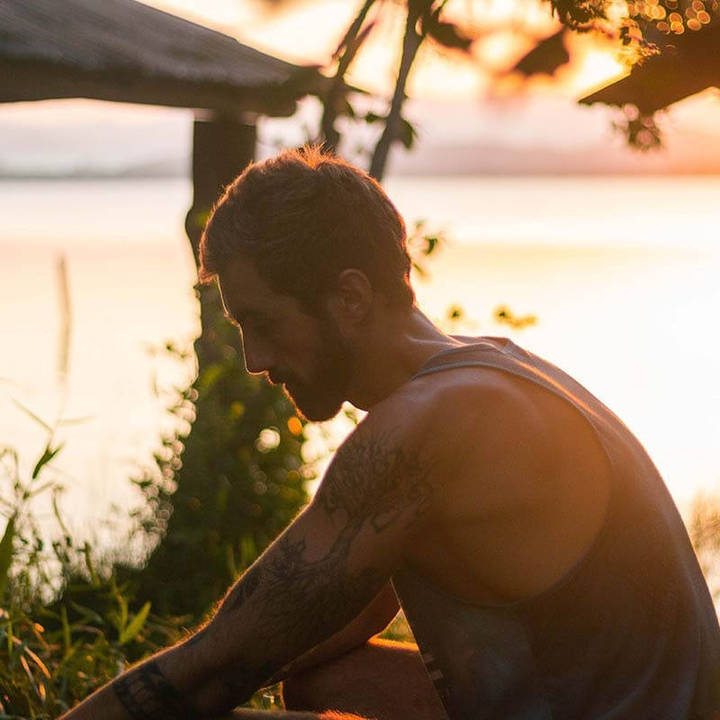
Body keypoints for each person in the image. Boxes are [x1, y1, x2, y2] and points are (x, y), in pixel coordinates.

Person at [61, 146, 720, 720]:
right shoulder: (492, 372)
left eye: (263, 323)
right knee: (325, 682)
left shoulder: (431, 427)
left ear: (350, 298)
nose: (255, 359)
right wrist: (248, 658)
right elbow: (311, 633)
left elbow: (220, 663)